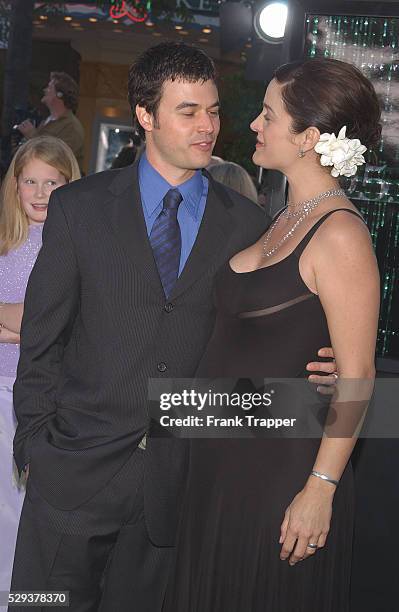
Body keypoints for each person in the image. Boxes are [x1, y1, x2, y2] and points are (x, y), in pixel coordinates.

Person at [10, 43, 336, 612]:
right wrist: (37, 448)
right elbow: (42, 340)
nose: (208, 125)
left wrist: (319, 364)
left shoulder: (248, 225)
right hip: (71, 474)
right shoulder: (78, 209)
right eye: (188, 112)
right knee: (42, 604)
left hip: (178, 485)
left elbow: (260, 329)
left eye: (213, 110)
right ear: (145, 114)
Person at [163, 58, 381, 611]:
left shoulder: (341, 236)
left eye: (268, 114)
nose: (254, 125)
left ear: (309, 137)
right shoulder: (282, 218)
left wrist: (320, 489)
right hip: (223, 462)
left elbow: (357, 375)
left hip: (282, 471)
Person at [0, 136, 80, 594]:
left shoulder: (70, 243)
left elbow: (57, 324)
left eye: (52, 181)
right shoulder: (6, 242)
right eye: (29, 180)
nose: (40, 192)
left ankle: (26, 594)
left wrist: (21, 318)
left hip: (47, 397)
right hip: (1, 385)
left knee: (32, 506)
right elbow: (39, 322)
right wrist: (29, 320)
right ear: (14, 184)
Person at [16, 72, 85, 171]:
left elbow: (60, 159)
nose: (45, 90)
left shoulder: (72, 127)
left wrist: (31, 135)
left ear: (59, 95)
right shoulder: (46, 121)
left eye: (49, 87)